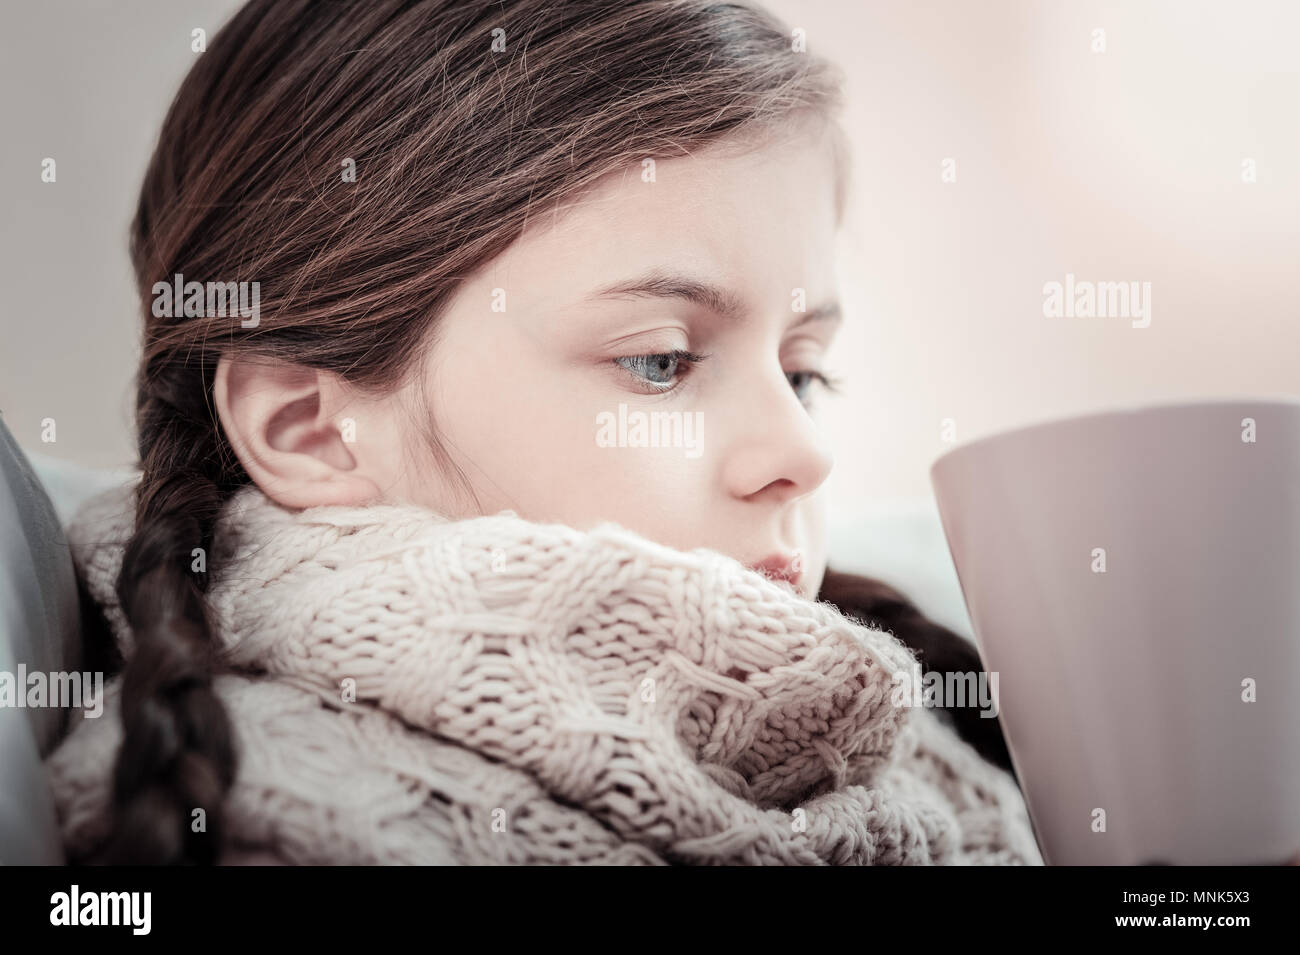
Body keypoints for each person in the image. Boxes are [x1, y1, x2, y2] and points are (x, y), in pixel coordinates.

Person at [44, 0, 1036, 865]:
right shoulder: (266, 820)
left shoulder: (953, 759)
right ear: (310, 428)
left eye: (802, 372)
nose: (802, 455)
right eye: (660, 360)